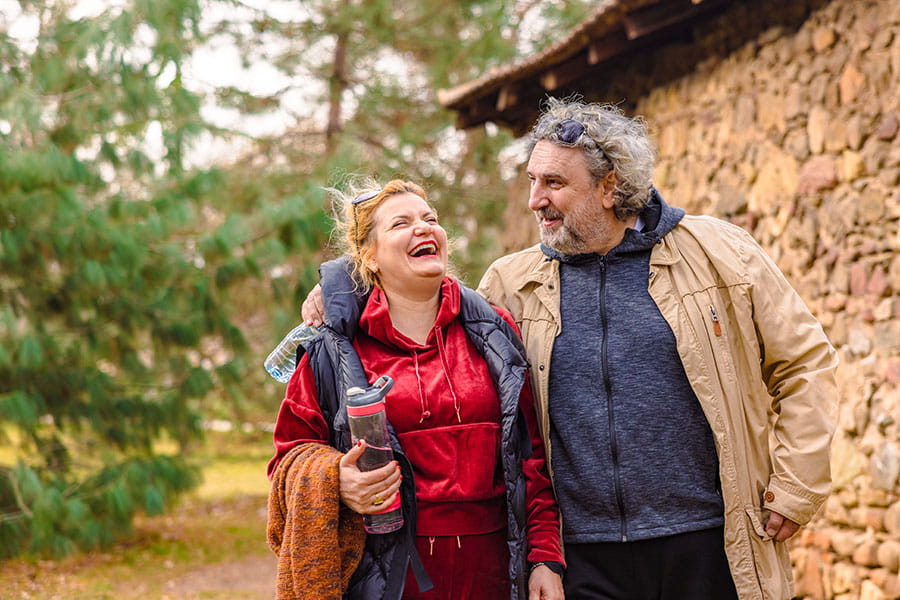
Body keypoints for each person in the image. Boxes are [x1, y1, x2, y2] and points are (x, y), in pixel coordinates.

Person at [302, 99, 839, 600]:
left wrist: (796, 487)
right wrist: (343, 288)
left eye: (554, 183)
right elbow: (426, 311)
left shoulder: (720, 252)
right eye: (533, 180)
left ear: (609, 187)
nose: (536, 199)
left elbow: (805, 363)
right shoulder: (509, 283)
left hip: (708, 541)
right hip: (580, 558)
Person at [267, 178, 565, 600]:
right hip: (387, 577)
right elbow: (287, 458)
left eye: (431, 219)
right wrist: (336, 479)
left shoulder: (495, 332)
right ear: (369, 256)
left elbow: (530, 459)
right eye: (401, 223)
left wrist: (545, 559)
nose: (424, 228)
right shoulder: (330, 348)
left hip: (496, 572)